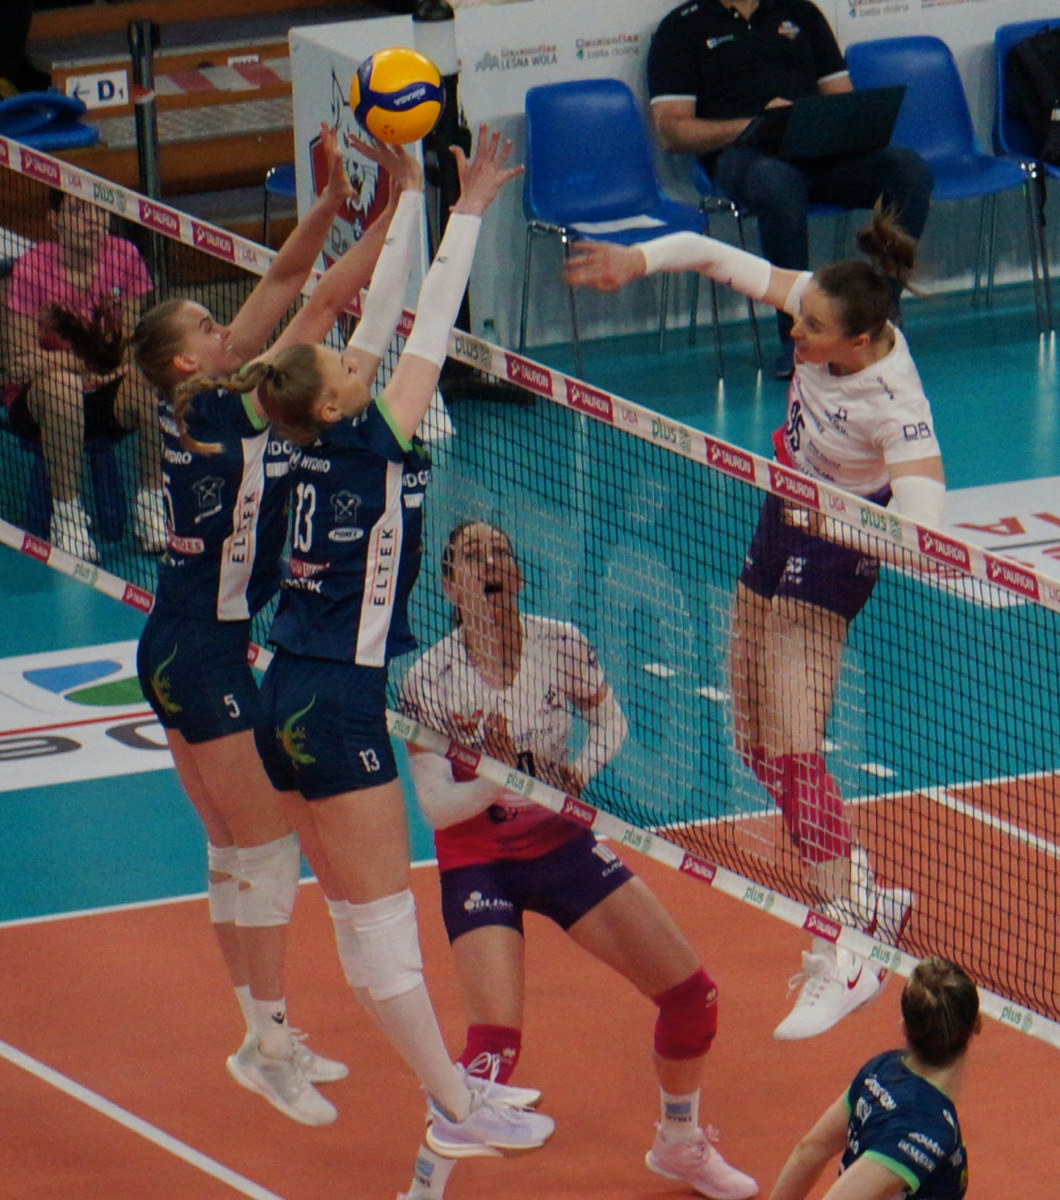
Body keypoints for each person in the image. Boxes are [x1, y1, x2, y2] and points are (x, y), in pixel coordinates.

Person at [246, 127, 555, 1174]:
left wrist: (408, 191)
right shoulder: (375, 445)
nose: (357, 358)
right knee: (381, 923)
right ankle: (455, 1104)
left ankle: (454, 1093)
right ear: (337, 399)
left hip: (284, 688)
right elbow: (423, 325)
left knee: (354, 915)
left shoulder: (295, 441)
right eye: (344, 365)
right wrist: (463, 209)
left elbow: (371, 319)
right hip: (337, 701)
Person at [565, 212, 945, 1041]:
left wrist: (835, 522)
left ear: (859, 341)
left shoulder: (896, 406)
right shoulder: (819, 301)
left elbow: (924, 534)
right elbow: (708, 253)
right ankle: (862, 890)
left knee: (795, 745)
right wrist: (635, 261)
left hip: (840, 543)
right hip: (784, 508)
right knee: (753, 743)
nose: (794, 332)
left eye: (812, 330)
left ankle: (850, 945)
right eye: (800, 318)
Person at [130, 125, 412, 1125]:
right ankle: (270, 1043)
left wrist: (330, 206)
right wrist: (394, 215)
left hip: (173, 641)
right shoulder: (227, 409)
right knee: (262, 852)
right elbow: (321, 303)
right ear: (186, 358)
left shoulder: (201, 396)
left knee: (230, 851)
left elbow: (288, 279)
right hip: (204, 651)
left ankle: (263, 1033)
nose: (228, 329)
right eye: (211, 326)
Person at [397, 520, 759, 1200]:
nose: (490, 562)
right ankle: (423, 1188)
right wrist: (501, 778)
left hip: (561, 845)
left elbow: (611, 723)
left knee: (693, 998)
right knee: (494, 1046)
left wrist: (576, 774)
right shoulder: (430, 680)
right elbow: (438, 808)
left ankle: (678, 1143)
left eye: (501, 552)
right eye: (472, 556)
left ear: (517, 575)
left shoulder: (560, 645)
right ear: (449, 586)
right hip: (479, 862)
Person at [646, 0, 933, 379]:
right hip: (742, 154)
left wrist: (821, 123)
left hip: (818, 148)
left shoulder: (801, 12)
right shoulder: (682, 27)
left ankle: (879, 317)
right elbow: (671, 131)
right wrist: (756, 125)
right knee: (778, 184)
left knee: (907, 170)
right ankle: (799, 336)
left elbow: (841, 96)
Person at [2, 190, 162, 561]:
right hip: (38, 400)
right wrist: (82, 365)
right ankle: (68, 518)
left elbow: (129, 342)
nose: (92, 220)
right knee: (64, 387)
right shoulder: (31, 269)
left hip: (103, 391)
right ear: (54, 220)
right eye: (77, 211)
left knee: (149, 380)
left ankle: (151, 503)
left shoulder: (124, 256)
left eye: (98, 211)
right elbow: (18, 362)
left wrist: (112, 367)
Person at [767, 958, 978, 1200]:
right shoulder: (925, 1126)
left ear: (904, 1027)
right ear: (977, 1025)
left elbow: (811, 1148)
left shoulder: (883, 1069)